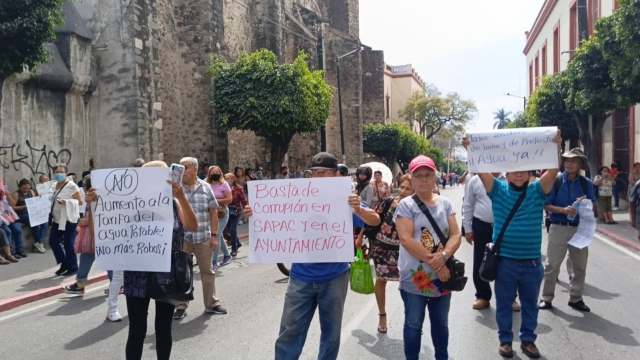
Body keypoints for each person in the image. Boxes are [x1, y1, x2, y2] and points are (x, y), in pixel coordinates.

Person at [244, 152, 381, 360]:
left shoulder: (345, 199)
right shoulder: (296, 197)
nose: (319, 177)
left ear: (336, 176)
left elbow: (375, 220)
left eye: (325, 173)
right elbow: (272, 217)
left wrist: (357, 210)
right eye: (315, 172)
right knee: (289, 333)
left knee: (331, 334)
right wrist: (256, 213)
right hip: (300, 277)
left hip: (335, 277)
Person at [462, 130, 562, 359]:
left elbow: (554, 169)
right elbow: (479, 169)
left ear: (529, 173)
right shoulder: (497, 190)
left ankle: (528, 340)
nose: (519, 175)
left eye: (523, 171)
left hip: (532, 264)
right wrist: (470, 148)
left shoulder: (538, 191)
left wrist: (556, 147)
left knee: (530, 306)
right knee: (504, 304)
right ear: (507, 174)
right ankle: (505, 340)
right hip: (505, 262)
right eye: (514, 171)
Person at [112, 160, 198, 360]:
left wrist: (182, 197)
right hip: (136, 273)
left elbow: (193, 226)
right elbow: (107, 231)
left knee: (163, 328)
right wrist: (93, 204)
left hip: (166, 273)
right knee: (136, 330)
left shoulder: (175, 203)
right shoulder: (129, 203)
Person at [394, 155, 461, 360]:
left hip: (443, 278)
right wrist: (438, 263)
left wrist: (444, 256)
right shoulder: (406, 205)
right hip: (415, 278)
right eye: (419, 176)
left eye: (428, 175)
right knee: (413, 324)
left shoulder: (445, 203)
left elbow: (456, 235)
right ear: (412, 179)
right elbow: (406, 239)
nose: (424, 180)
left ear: (435, 178)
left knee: (441, 324)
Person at [539, 148, 597, 315]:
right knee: (551, 265)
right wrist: (563, 210)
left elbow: (593, 205)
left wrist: (584, 204)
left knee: (579, 266)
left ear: (580, 164)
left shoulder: (586, 183)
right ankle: (546, 298)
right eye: (567, 160)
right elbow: (546, 205)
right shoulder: (555, 181)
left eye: (573, 161)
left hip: (579, 229)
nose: (569, 163)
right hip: (558, 227)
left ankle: (576, 298)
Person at [358, 174, 413, 334]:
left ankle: (412, 318)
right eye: (402, 187)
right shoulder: (388, 201)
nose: (403, 191)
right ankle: (382, 315)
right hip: (381, 249)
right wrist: (361, 236)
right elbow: (372, 218)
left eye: (407, 188)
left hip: (405, 251)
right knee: (381, 281)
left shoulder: (416, 207)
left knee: (408, 284)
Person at [173, 158, 226, 320]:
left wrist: (215, 236)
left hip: (203, 236)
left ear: (195, 169)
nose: (182, 171)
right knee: (181, 272)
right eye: (180, 168)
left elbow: (213, 212)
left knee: (207, 271)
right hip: (183, 238)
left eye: (185, 168)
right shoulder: (175, 189)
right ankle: (181, 305)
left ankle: (211, 304)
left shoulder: (206, 188)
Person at [463, 173, 520, 311]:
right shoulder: (475, 180)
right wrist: (468, 228)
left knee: (507, 262)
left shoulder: (509, 178)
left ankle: (510, 297)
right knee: (481, 261)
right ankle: (482, 296)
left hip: (505, 226)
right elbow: (468, 204)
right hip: (481, 226)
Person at [48, 164, 83, 276]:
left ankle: (73, 266)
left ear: (66, 173)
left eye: (61, 172)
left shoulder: (71, 186)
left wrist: (67, 202)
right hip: (57, 219)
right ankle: (64, 262)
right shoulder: (53, 185)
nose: (59, 174)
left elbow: (80, 202)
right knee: (53, 241)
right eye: (56, 172)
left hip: (69, 219)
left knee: (69, 243)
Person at [207, 165, 233, 270]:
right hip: (211, 213)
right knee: (219, 235)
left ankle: (214, 261)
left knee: (216, 234)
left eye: (217, 172)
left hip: (222, 213)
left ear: (220, 173)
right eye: (212, 172)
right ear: (209, 174)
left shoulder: (224, 184)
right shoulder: (206, 185)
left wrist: (215, 201)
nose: (215, 174)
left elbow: (229, 199)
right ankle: (227, 255)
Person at [11, 179, 47, 253]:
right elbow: (12, 207)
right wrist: (22, 207)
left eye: (27, 188)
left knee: (45, 222)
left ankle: (39, 242)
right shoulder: (16, 194)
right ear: (19, 187)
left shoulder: (31, 192)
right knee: (36, 224)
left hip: (31, 212)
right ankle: (37, 241)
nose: (26, 190)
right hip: (21, 213)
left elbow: (34, 202)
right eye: (24, 188)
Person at [225, 173, 247, 256]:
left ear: (233, 179)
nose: (227, 180)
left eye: (228, 179)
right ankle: (238, 242)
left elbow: (243, 200)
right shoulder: (224, 188)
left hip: (236, 211)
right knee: (229, 229)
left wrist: (246, 208)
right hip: (226, 211)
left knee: (233, 229)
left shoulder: (238, 188)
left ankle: (234, 248)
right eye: (225, 178)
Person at [629, 162, 640, 228]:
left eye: (639, 166)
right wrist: (638, 183)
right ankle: (632, 218)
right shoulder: (632, 174)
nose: (638, 168)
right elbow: (632, 182)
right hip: (633, 190)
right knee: (632, 204)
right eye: (637, 166)